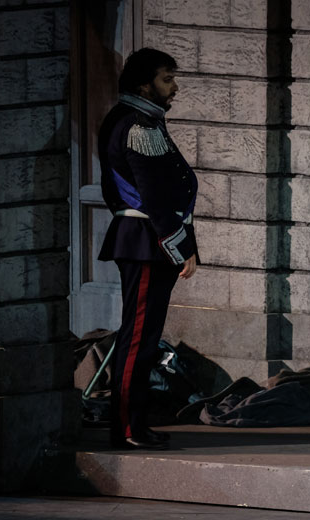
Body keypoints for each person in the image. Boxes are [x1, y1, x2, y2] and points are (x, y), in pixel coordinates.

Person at [98, 48, 199, 450]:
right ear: (144, 84)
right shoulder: (138, 125)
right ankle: (126, 427)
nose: (174, 87)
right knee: (138, 337)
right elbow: (153, 194)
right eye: (166, 79)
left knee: (143, 336)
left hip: (146, 241)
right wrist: (180, 247)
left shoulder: (139, 120)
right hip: (146, 242)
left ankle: (133, 424)